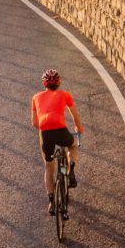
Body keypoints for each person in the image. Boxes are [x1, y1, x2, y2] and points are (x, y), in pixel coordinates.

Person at [31, 68, 84, 218]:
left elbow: (34, 122)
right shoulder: (65, 95)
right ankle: (71, 168)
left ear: (44, 83)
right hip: (61, 130)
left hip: (46, 133)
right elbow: (75, 116)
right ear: (59, 83)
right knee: (72, 145)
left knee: (49, 167)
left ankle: (52, 201)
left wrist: (44, 131)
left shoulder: (36, 97)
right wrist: (79, 129)